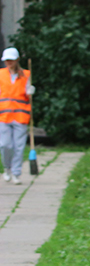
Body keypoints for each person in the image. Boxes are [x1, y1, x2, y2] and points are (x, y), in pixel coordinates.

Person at [0, 48, 35, 185]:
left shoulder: (26, 75)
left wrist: (30, 91)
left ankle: (16, 173)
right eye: (7, 60)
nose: (9, 62)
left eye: (11, 60)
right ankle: (7, 168)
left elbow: (27, 95)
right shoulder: (0, 75)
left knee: (19, 146)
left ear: (16, 60)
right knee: (5, 145)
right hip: (3, 115)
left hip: (20, 116)